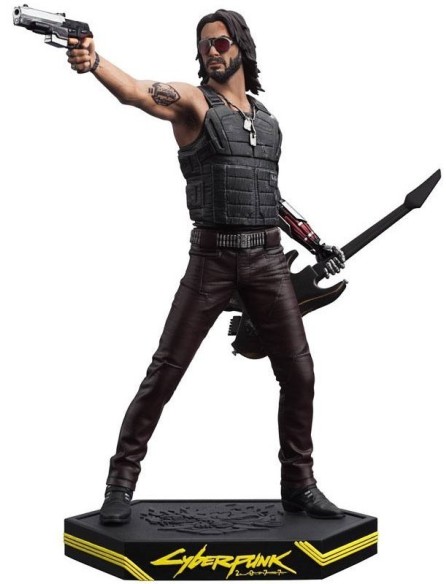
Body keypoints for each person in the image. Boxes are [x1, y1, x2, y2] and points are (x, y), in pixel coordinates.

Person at [67, 9, 346, 525]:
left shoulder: (268, 122)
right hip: (212, 261)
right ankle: (120, 483)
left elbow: (269, 196)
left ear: (241, 46)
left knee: (300, 374)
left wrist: (315, 241)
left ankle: (299, 485)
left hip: (267, 262)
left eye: (220, 43)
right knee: (165, 372)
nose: (211, 51)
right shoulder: (193, 104)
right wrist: (95, 61)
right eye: (204, 45)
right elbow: (136, 91)